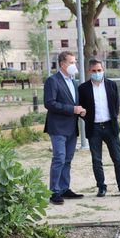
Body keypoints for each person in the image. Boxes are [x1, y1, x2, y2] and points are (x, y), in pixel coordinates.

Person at [78, 59, 120, 198]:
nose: (97, 73)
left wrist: (112, 119)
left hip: (110, 127)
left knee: (118, 159)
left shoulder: (111, 85)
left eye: (99, 70)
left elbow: (115, 106)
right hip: (94, 128)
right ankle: (101, 187)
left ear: (103, 70)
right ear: (89, 71)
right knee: (97, 160)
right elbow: (82, 109)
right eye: (94, 71)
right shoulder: (83, 88)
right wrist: (88, 119)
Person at [44, 51, 86, 205]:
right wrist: (72, 109)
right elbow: (49, 103)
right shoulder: (52, 81)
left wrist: (81, 110)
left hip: (71, 127)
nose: (74, 65)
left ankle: (64, 188)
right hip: (57, 127)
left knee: (68, 159)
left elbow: (75, 103)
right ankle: (54, 191)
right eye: (72, 62)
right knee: (59, 158)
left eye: (75, 62)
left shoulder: (73, 82)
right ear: (62, 64)